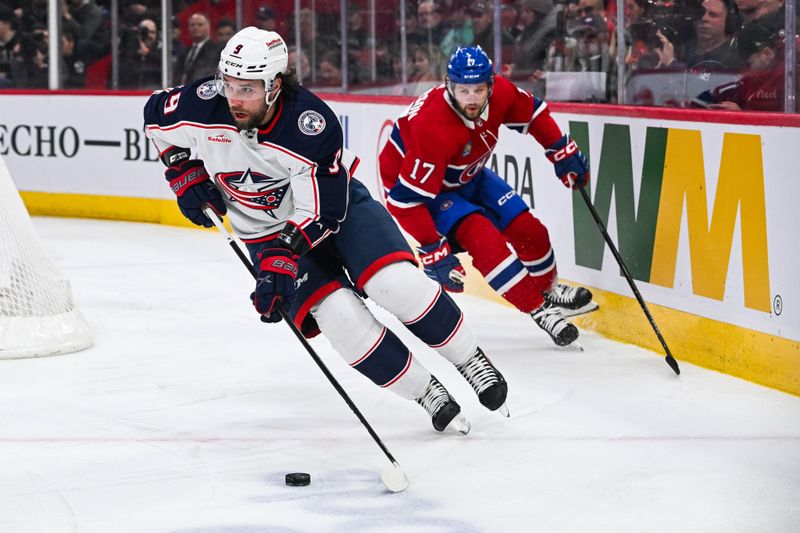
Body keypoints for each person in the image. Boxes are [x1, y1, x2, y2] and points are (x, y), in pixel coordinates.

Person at [143, 27, 509, 434]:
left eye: (246, 88)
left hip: (336, 210)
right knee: (341, 320)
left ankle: (469, 358)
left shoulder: (309, 124)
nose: (233, 98)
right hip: (263, 232)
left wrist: (284, 257)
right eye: (228, 84)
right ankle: (426, 392)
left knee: (394, 285)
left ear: (274, 86)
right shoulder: (201, 102)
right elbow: (154, 120)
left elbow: (324, 212)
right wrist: (184, 172)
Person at [378, 46, 597, 347]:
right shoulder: (431, 128)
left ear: (490, 86)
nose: (471, 98)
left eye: (479, 89)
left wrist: (560, 150)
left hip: (468, 173)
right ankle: (539, 310)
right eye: (463, 90)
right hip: (425, 193)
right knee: (482, 235)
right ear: (449, 85)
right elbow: (405, 202)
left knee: (528, 228)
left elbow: (534, 114)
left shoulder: (501, 93)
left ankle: (548, 289)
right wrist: (433, 246)